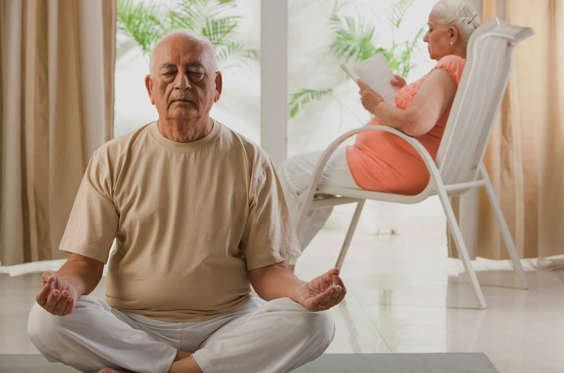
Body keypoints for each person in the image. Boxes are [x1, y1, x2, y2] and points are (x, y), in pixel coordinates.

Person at [27, 31, 346, 373]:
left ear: (216, 86)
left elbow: (267, 271)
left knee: (316, 323)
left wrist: (303, 292)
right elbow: (84, 265)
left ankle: (158, 369)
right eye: (169, 73)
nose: (182, 84)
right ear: (151, 88)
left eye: (196, 74)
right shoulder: (113, 157)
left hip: (226, 324)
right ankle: (200, 369)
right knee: (46, 324)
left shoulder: (251, 159)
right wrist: (66, 289)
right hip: (135, 325)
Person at [278, 0, 481, 256]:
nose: (425, 38)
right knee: (311, 182)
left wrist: (376, 106)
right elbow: (431, 115)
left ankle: (275, 265)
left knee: (290, 172)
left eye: (430, 30)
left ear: (451, 34)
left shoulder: (449, 66)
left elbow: (416, 122)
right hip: (402, 162)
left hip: (391, 166)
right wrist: (405, 92)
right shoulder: (466, 69)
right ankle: (283, 263)